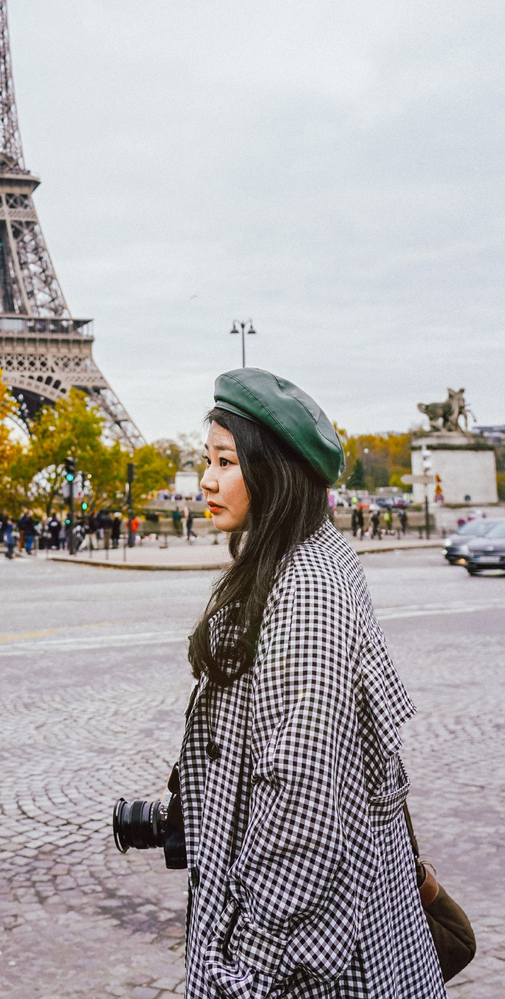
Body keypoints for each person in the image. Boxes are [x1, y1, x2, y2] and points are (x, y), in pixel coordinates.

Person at [180, 367, 443, 998]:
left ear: (275, 472)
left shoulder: (304, 589)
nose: (206, 480)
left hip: (310, 975)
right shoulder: (307, 560)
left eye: (225, 461)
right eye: (206, 460)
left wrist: (250, 966)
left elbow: (302, 801)